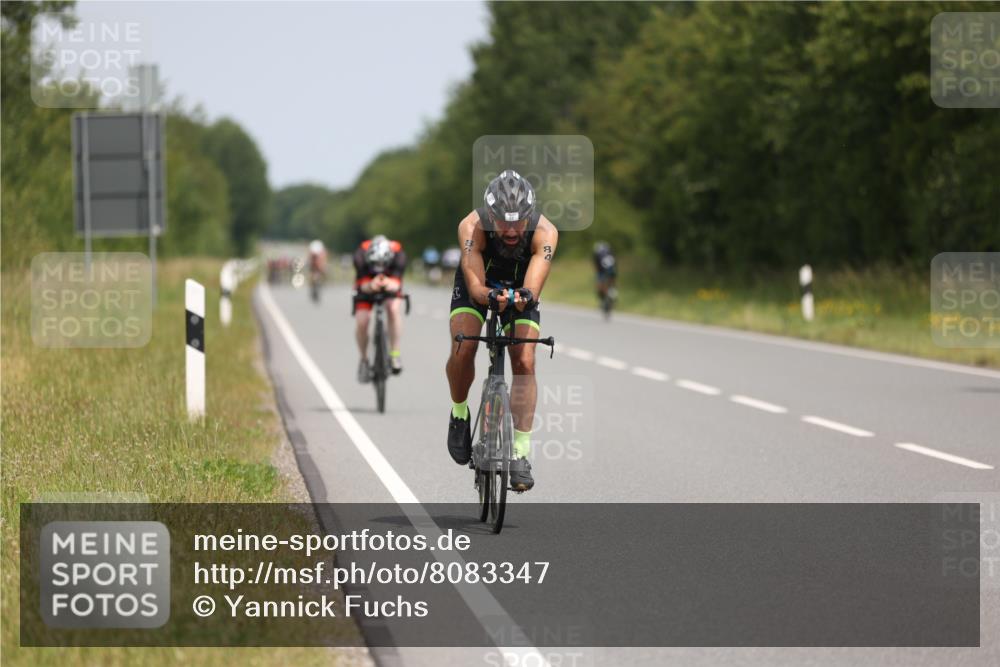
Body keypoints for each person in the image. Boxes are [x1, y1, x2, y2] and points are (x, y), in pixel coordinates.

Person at [445, 170, 558, 492]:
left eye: (518, 222)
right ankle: (459, 413)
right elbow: (477, 286)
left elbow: (534, 286)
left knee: (525, 360)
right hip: (478, 284)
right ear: (490, 214)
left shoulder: (545, 231)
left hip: (521, 286)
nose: (510, 230)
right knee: (463, 346)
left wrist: (524, 297)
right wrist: (489, 296)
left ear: (530, 215)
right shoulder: (472, 226)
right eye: (502, 222)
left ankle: (520, 452)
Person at [354, 235, 407, 381]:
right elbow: (362, 285)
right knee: (362, 321)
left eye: (383, 264)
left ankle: (395, 354)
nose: (379, 268)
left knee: (393, 309)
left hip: (390, 280)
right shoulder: (360, 256)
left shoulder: (399, 254)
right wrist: (371, 285)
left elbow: (397, 283)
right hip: (367, 282)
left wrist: (389, 283)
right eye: (376, 264)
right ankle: (364, 359)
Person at [592, 241, 617, 307]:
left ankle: (602, 299)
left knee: (600, 285)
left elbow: (596, 266)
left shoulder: (597, 254)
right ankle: (613, 291)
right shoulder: (610, 252)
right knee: (611, 281)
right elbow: (615, 263)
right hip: (612, 271)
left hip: (601, 271)